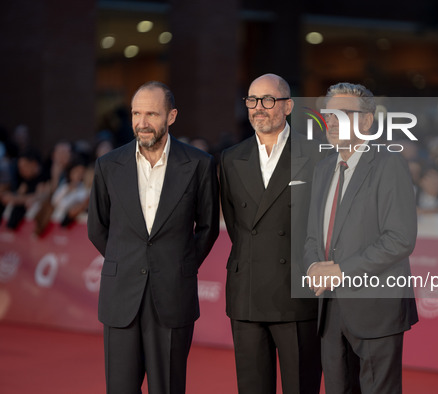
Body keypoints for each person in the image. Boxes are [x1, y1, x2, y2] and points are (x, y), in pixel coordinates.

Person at [87, 81, 219, 394]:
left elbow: (208, 227)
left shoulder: (199, 164)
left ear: (171, 116)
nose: (142, 122)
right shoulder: (108, 165)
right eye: (136, 113)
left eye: (151, 114)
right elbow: (97, 227)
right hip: (121, 299)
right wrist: (126, 261)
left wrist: (178, 263)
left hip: (172, 295)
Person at [304, 83, 418, 394]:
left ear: (366, 122)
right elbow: (313, 234)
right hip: (330, 308)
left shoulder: (389, 164)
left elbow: (400, 238)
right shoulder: (324, 168)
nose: (332, 121)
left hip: (376, 308)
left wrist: (340, 271)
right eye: (328, 115)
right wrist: (314, 265)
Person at [220, 73, 323, 394]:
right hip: (247, 293)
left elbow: (321, 224)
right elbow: (236, 224)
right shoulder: (230, 158)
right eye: (252, 100)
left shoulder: (317, 155)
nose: (258, 108)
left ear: (288, 106)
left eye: (268, 100)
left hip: (297, 294)